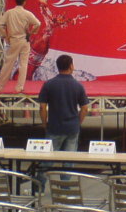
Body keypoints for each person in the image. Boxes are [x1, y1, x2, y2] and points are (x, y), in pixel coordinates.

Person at [37, 54, 89, 189]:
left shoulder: (49, 84)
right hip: (72, 128)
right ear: (71, 66)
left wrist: (44, 123)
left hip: (54, 127)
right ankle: (64, 188)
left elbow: (42, 107)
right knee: (68, 160)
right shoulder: (78, 85)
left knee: (47, 159)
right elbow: (84, 108)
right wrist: (78, 123)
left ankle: (38, 186)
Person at [0, 0, 41, 93]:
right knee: (23, 64)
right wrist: (31, 32)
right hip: (25, 39)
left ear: (15, 1)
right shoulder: (27, 13)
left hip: (13, 40)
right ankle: (19, 87)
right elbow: (38, 23)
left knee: (8, 63)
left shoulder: (9, 13)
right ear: (24, 2)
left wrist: (5, 36)